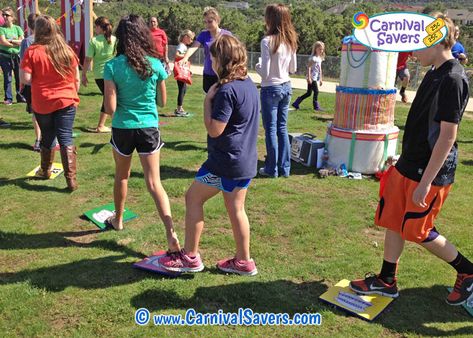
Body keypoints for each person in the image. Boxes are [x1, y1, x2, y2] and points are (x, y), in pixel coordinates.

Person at [349, 13, 473, 307]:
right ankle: (386, 280)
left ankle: (467, 272)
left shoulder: (453, 78)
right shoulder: (433, 71)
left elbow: (446, 137)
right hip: (409, 163)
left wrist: (425, 182)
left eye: (416, 44)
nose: (412, 52)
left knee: (419, 230)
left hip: (429, 172)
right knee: (393, 218)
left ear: (436, 42)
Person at [158, 35, 260, 276]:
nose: (210, 61)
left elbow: (215, 129)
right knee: (237, 210)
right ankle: (244, 261)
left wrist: (207, 103)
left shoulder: (226, 91)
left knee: (193, 198)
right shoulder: (249, 83)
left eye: (212, 57)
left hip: (224, 163)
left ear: (221, 60)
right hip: (243, 161)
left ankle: (190, 257)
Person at [103, 15, 180, 252]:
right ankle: (171, 234)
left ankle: (118, 220)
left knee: (122, 176)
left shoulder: (112, 66)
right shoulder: (155, 65)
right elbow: (163, 102)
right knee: (154, 183)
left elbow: (110, 108)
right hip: (148, 127)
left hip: (123, 127)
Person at [20, 15, 80, 191]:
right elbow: (75, 77)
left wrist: (42, 79)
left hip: (43, 101)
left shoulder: (33, 51)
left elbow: (25, 78)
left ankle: (45, 171)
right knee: (66, 136)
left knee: (47, 136)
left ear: (37, 30)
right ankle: (71, 180)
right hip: (67, 100)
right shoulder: (67, 50)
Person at [256, 3, 297, 178]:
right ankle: (285, 168)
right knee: (282, 128)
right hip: (286, 86)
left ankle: (271, 168)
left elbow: (264, 73)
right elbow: (293, 68)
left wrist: (257, 66)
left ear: (270, 19)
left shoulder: (267, 41)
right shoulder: (290, 41)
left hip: (270, 88)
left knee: (271, 130)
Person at [179, 7, 232, 93]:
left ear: (217, 20)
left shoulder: (227, 35)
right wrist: (185, 58)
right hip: (208, 74)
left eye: (210, 21)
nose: (207, 24)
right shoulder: (203, 34)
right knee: (209, 101)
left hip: (223, 74)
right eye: (205, 22)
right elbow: (194, 47)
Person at [82, 16, 116, 133]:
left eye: (95, 26)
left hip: (100, 75)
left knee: (108, 99)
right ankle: (107, 125)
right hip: (113, 74)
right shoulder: (115, 40)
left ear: (100, 28)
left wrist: (84, 74)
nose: (95, 29)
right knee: (109, 99)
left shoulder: (94, 41)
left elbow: (87, 59)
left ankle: (106, 125)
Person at [19, 13, 41, 151]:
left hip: (32, 81)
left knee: (36, 112)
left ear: (28, 25)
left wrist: (22, 83)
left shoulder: (27, 42)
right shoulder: (49, 41)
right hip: (46, 80)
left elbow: (23, 63)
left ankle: (39, 139)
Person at [0, 7, 24, 105]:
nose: (5, 17)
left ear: (12, 17)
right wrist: (14, 42)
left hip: (16, 56)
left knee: (19, 77)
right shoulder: (1, 29)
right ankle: (8, 98)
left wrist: (10, 41)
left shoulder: (17, 28)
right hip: (5, 56)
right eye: (3, 15)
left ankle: (20, 96)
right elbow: (3, 42)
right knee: (8, 77)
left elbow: (22, 41)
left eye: (7, 15)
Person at [292, 41, 325, 111]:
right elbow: (309, 67)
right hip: (312, 78)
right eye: (319, 49)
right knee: (316, 91)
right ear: (315, 49)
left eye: (322, 49)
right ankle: (316, 106)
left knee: (308, 93)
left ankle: (296, 103)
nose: (321, 51)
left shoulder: (319, 58)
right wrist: (309, 78)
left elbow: (320, 69)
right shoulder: (313, 58)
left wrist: (321, 79)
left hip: (315, 78)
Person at [174, 29, 195, 117]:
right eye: (190, 38)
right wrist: (186, 56)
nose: (191, 41)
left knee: (184, 89)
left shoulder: (184, 46)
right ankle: (179, 109)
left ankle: (180, 107)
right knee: (182, 89)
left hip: (183, 70)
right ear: (185, 37)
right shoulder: (182, 46)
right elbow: (176, 55)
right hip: (180, 71)